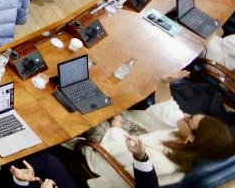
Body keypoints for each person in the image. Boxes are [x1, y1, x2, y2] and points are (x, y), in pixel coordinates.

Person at [85, 72, 235, 187]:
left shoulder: (161, 165)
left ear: (192, 138)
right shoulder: (186, 141)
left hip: (101, 156)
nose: (186, 114)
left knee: (88, 111)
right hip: (129, 136)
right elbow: (168, 108)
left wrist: (116, 127)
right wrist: (164, 82)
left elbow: (114, 154)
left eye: (189, 119)